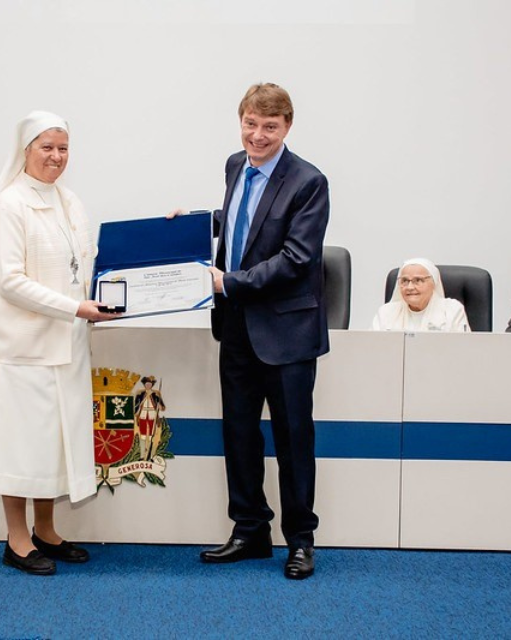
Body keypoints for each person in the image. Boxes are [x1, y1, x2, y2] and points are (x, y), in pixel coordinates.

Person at [0, 111, 116, 576]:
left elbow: (86, 265)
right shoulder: (8, 205)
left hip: (66, 344)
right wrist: (76, 308)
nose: (56, 156)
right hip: (23, 348)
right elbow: (9, 281)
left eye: (63, 148)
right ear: (25, 149)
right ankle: (17, 539)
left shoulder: (70, 201)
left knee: (53, 445)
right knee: (18, 446)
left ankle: (46, 531)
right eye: (46, 147)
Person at [199, 83, 330, 580]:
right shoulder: (236, 165)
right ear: (241, 121)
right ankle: (250, 529)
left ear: (287, 126)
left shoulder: (309, 182)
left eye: (269, 127)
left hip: (286, 332)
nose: (258, 135)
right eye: (250, 124)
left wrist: (229, 282)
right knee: (238, 433)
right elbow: (243, 223)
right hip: (236, 325)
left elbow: (296, 258)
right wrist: (192, 226)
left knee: (293, 439)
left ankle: (300, 541)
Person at [372, 258, 470, 332]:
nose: (410, 287)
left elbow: (464, 348)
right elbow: (372, 346)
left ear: (433, 283)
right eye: (405, 281)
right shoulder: (386, 312)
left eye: (418, 280)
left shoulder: (452, 310)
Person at [134, 376, 166, 460]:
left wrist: (159, 405)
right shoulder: (140, 394)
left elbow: (162, 407)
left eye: (149, 384)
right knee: (142, 436)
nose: (148, 385)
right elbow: (136, 405)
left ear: (152, 385)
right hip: (143, 415)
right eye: (146, 384)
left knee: (152, 435)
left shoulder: (156, 394)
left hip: (152, 415)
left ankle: (151, 455)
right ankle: (142, 455)